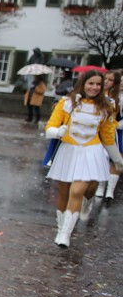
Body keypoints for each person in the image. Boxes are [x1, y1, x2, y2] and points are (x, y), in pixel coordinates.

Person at [45, 70, 123, 247]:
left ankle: (66, 234)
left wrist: (118, 160)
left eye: (98, 84)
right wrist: (58, 132)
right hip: (68, 151)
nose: (94, 87)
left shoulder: (107, 106)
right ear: (83, 83)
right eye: (91, 83)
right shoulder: (66, 103)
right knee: (64, 193)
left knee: (77, 191)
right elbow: (50, 127)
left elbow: (108, 136)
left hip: (91, 151)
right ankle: (60, 229)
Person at [96, 70, 121, 202]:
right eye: (105, 79)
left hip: (114, 131)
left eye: (110, 80)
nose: (106, 82)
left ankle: (110, 190)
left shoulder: (117, 98)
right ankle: (100, 186)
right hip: (99, 130)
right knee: (102, 158)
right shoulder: (97, 94)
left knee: (114, 159)